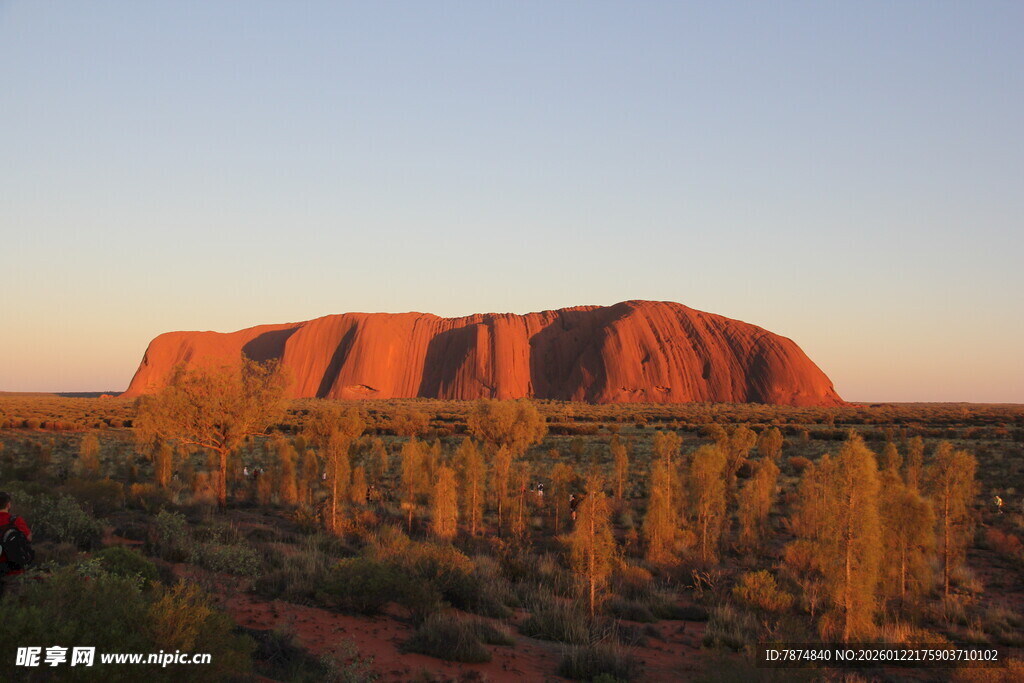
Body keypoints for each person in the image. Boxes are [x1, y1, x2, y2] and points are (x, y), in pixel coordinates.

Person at [0, 491, 32, 595]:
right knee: (13, 605)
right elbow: (28, 538)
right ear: (8, 504)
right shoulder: (15, 521)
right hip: (14, 569)